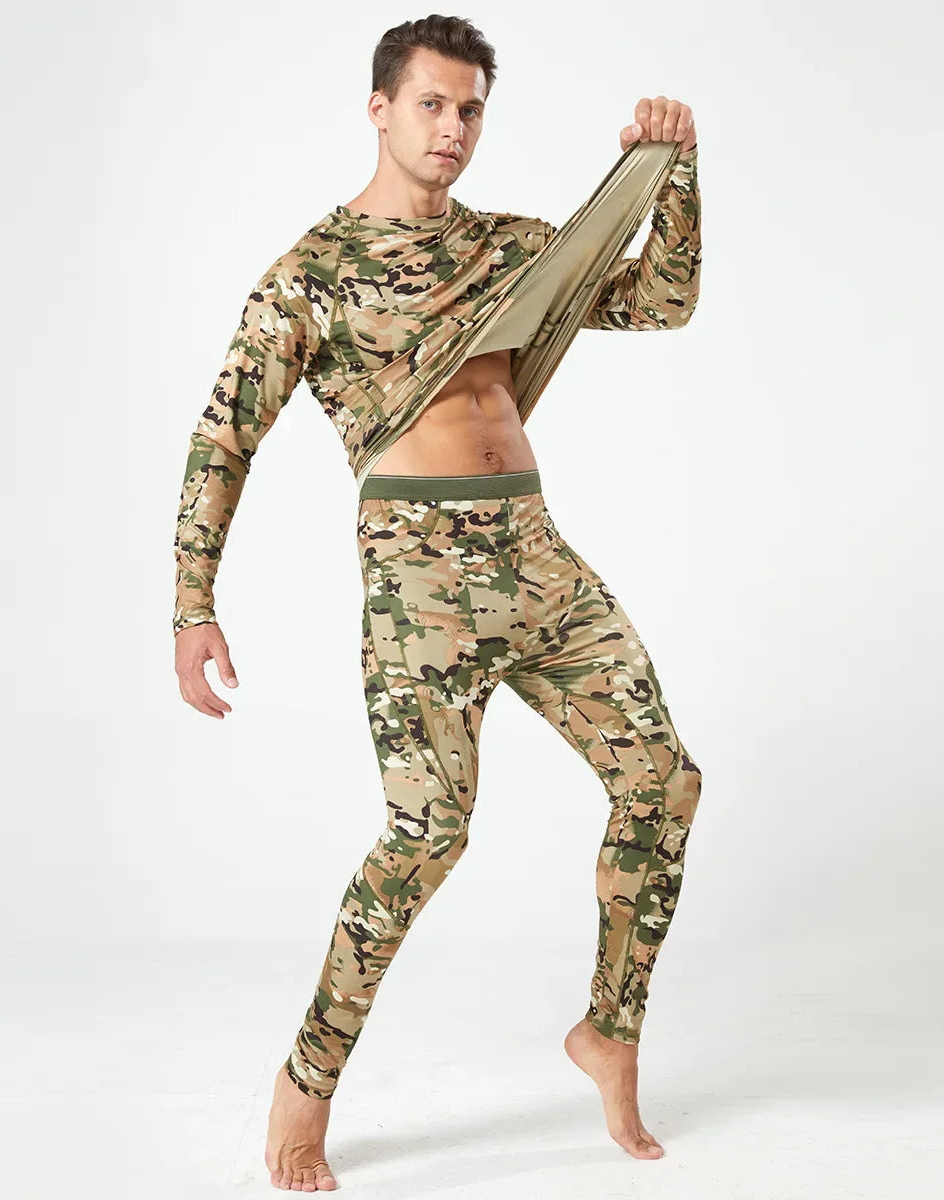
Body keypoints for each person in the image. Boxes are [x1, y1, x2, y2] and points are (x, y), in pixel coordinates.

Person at [172, 15, 704, 1192]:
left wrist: (673, 174)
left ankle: (610, 1029)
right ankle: (307, 1082)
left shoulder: (510, 248)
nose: (453, 127)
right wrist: (191, 602)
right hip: (420, 579)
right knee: (427, 835)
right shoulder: (313, 271)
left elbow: (662, 302)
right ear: (379, 108)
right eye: (431, 103)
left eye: (470, 108)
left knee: (663, 780)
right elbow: (224, 438)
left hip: (535, 554)